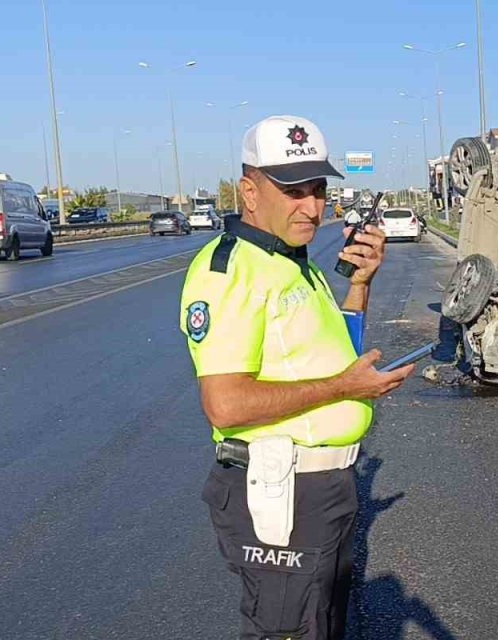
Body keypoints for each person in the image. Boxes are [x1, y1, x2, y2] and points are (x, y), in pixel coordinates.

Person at [180, 115, 414, 640]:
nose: (311, 207)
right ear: (249, 191)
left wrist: (360, 286)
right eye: (292, 191)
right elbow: (225, 404)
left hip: (322, 487)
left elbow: (333, 357)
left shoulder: (292, 263)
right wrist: (344, 389)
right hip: (281, 491)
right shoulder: (231, 271)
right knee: (289, 632)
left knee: (324, 626)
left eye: (318, 190)